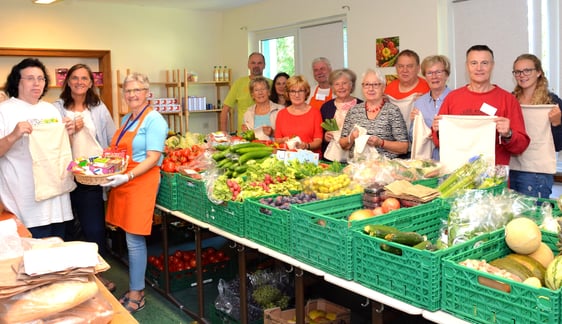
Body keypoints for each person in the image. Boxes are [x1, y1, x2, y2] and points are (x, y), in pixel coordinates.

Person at [101, 72, 168, 313]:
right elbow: (118, 152)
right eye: (128, 91)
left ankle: (137, 293)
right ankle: (134, 287)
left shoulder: (154, 120)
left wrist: (127, 175)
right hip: (123, 182)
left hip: (141, 181)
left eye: (137, 90)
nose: (132, 94)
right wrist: (106, 171)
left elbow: (153, 157)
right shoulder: (128, 119)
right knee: (129, 238)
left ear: (147, 93)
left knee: (134, 239)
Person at [53, 63, 117, 291]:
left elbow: (111, 140)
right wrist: (67, 131)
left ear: (91, 83)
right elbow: (50, 143)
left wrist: (109, 167)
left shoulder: (98, 108)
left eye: (84, 78)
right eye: (75, 78)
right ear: (67, 81)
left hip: (91, 178)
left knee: (94, 229)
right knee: (68, 229)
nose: (79, 82)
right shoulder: (56, 108)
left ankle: (97, 276)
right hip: (63, 178)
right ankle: (74, 278)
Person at [0, 58, 76, 239]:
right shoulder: (4, 110)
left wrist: (69, 134)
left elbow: (62, 150)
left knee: (57, 254)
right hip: (24, 202)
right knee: (32, 259)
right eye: (30, 78)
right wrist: (13, 135)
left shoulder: (50, 110)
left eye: (41, 78)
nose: (37, 83)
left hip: (57, 199)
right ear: (17, 82)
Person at [432, 45, 530, 166]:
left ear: (492, 66)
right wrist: (438, 131)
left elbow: (521, 146)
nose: (479, 68)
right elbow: (438, 142)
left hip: (493, 178)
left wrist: (508, 134)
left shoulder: (508, 100)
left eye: (484, 63)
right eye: (474, 63)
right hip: (456, 176)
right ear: (467, 66)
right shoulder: (452, 98)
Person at [509, 53, 562, 198]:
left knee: (533, 218)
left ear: (539, 72)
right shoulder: (510, 100)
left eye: (527, 70)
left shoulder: (552, 102)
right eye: (518, 71)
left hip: (538, 173)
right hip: (511, 169)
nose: (522, 75)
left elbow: (558, 145)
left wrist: (557, 123)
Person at [339, 68, 409, 159]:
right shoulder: (353, 111)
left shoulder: (392, 111)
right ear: (362, 87)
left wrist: (381, 142)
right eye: (367, 84)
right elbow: (343, 144)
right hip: (357, 168)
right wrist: (352, 137)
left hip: (384, 168)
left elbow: (404, 147)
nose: (371, 89)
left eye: (375, 85)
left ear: (383, 87)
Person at [409, 55, 452, 161]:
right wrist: (415, 123)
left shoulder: (456, 100)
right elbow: (412, 138)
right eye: (429, 73)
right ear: (425, 76)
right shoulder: (419, 103)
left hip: (450, 160)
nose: (434, 76)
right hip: (426, 163)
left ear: (446, 75)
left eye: (438, 72)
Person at [220, 52, 269, 133]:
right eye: (253, 63)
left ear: (264, 65)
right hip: (243, 136)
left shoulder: (271, 83)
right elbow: (225, 110)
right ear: (248, 65)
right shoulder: (239, 83)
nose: (256, 66)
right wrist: (223, 134)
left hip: (266, 136)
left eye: (259, 63)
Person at [320, 68, 363, 160]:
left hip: (356, 157)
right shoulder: (326, 107)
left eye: (344, 83)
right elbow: (320, 133)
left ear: (351, 85)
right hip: (332, 157)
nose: (341, 87)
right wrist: (325, 136)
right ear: (332, 87)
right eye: (337, 84)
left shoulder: (361, 105)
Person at [275, 75, 323, 153]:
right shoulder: (281, 114)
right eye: (293, 91)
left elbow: (318, 141)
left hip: (310, 159)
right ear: (288, 93)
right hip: (287, 158)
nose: (297, 95)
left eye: (300, 91)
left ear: (306, 93)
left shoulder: (315, 113)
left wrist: (306, 146)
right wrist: (283, 140)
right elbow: (277, 139)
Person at [241, 76, 284, 140]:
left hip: (276, 148)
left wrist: (272, 133)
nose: (260, 93)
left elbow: (288, 135)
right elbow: (245, 139)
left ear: (269, 92)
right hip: (255, 149)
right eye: (256, 90)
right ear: (252, 94)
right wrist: (245, 133)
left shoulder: (280, 110)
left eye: (263, 89)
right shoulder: (247, 113)